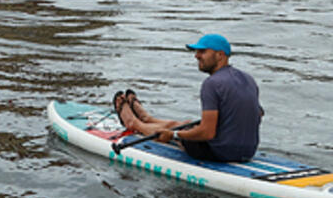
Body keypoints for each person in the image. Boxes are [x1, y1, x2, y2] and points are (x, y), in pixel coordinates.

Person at [113, 34, 263, 162]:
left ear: (220, 55)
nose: (196, 55)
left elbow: (207, 133)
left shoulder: (212, 84)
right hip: (248, 151)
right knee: (187, 125)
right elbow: (259, 114)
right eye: (197, 51)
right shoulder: (248, 79)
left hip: (220, 153)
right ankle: (147, 118)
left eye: (202, 51)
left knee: (185, 130)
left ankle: (136, 124)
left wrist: (174, 135)